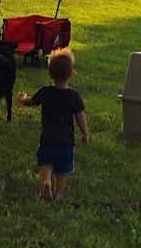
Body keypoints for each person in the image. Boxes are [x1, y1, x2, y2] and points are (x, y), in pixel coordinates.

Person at [17, 47, 89, 201]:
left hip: (47, 139)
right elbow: (80, 116)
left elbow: (31, 102)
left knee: (46, 164)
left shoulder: (45, 92)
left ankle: (46, 182)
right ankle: (57, 194)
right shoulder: (74, 96)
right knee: (62, 171)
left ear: (50, 73)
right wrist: (85, 134)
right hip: (66, 142)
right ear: (71, 73)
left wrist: (22, 99)